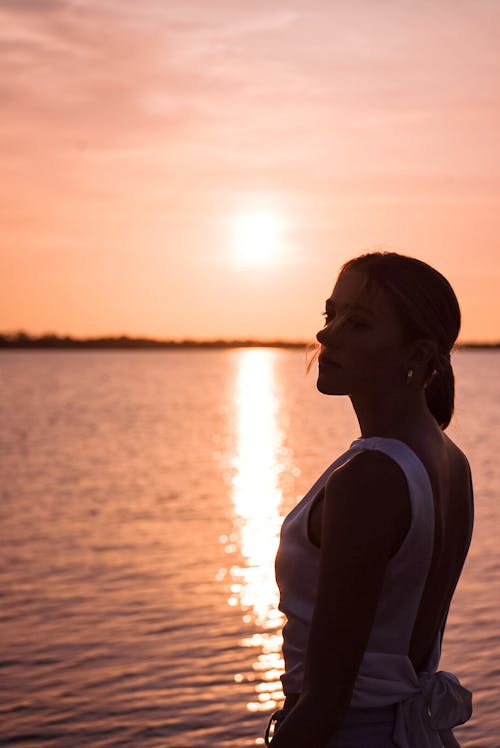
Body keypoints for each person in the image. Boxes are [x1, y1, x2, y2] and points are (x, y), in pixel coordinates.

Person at [265, 252, 474, 748]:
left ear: (418, 355)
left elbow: (325, 704)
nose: (328, 335)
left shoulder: (370, 480)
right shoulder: (450, 460)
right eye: (330, 314)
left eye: (357, 323)